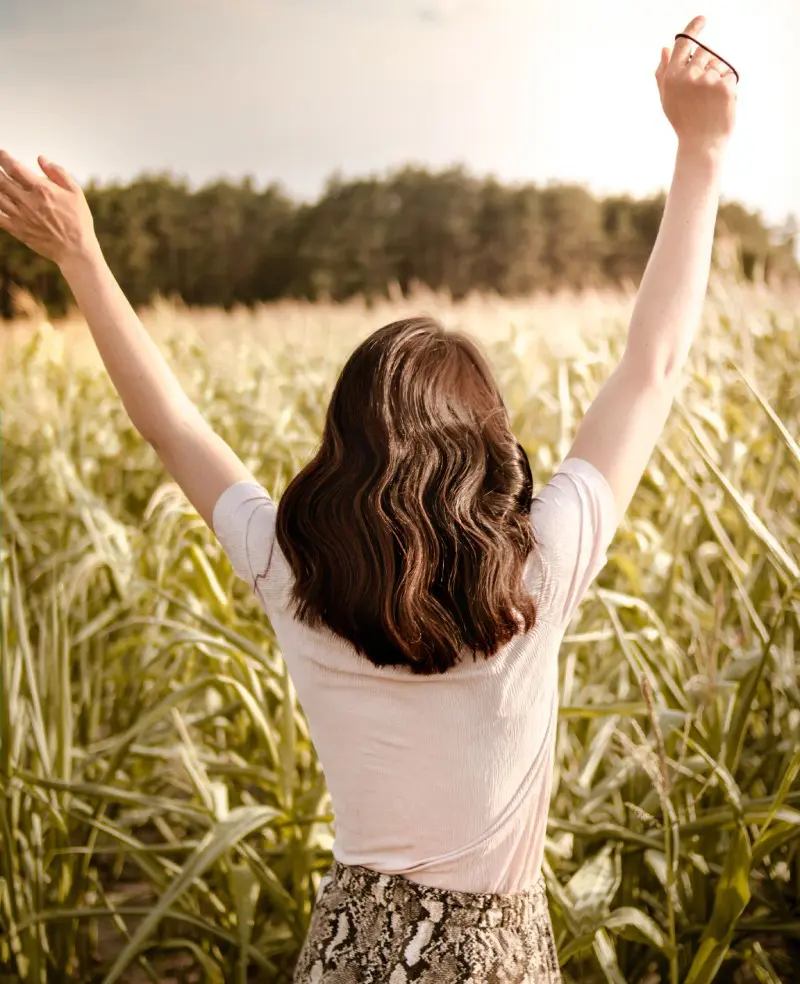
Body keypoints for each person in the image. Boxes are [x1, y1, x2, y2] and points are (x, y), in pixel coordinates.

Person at [0, 13, 737, 982]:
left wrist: (82, 259)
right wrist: (702, 149)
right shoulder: (539, 570)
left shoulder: (288, 567)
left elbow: (170, 424)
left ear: (342, 446)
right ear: (486, 448)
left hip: (344, 954)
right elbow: (653, 367)